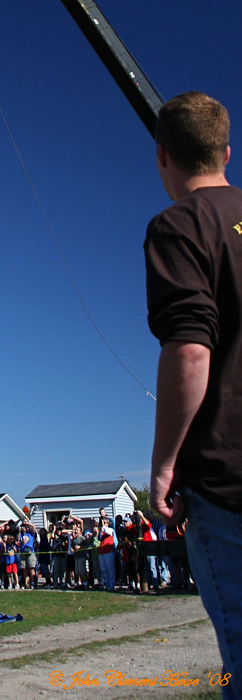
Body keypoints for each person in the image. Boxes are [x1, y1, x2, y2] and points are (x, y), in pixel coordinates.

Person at [145, 91, 242, 697]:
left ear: (162, 157)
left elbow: (190, 350)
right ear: (227, 152)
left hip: (229, 479)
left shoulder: (179, 225)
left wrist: (163, 466)